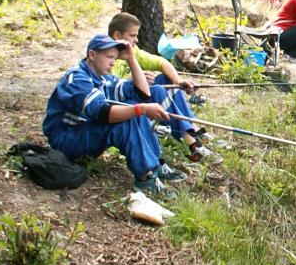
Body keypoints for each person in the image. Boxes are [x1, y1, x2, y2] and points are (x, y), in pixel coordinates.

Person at [42, 35, 186, 196]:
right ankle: (146, 178)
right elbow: (103, 113)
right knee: (127, 118)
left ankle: (155, 164)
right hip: (66, 139)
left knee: (133, 104)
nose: (113, 62)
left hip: (84, 132)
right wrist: (141, 109)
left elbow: (142, 94)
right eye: (109, 57)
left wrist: (131, 59)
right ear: (92, 55)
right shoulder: (76, 79)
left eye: (115, 58)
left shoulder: (104, 78)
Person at [107, 12, 216, 163]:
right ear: (118, 36)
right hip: (122, 104)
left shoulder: (131, 49)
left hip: (138, 94)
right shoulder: (107, 54)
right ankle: (191, 144)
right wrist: (133, 80)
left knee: (167, 78)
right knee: (158, 90)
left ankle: (193, 128)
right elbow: (109, 89)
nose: (136, 40)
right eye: (132, 36)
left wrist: (178, 80)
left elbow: (161, 62)